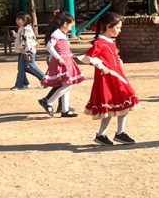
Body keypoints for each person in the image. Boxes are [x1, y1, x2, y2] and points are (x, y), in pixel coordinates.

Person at [84, 13, 140, 145]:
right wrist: (101, 66)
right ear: (109, 27)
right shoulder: (100, 42)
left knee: (125, 101)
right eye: (118, 28)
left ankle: (120, 132)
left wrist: (118, 60)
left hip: (117, 77)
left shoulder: (109, 42)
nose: (119, 31)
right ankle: (102, 134)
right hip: (107, 80)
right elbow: (88, 58)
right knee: (109, 107)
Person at [39, 12, 84, 117]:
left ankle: (65, 109)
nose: (71, 27)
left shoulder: (62, 34)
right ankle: (49, 102)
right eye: (71, 25)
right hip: (61, 62)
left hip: (66, 60)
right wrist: (58, 58)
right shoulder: (57, 33)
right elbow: (49, 47)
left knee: (67, 85)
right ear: (65, 24)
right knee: (67, 84)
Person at [12, 12, 45, 89]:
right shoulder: (23, 28)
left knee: (31, 67)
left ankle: (45, 79)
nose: (17, 21)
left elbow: (26, 42)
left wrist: (27, 53)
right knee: (22, 68)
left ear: (24, 21)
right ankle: (23, 83)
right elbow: (21, 38)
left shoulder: (25, 29)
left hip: (27, 51)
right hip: (24, 51)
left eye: (19, 19)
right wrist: (15, 34)